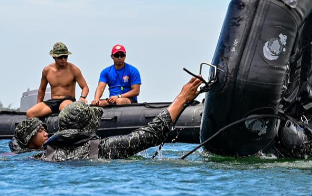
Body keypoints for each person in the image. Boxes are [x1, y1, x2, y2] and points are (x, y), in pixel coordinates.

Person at [37, 77, 203, 162]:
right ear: (88, 124)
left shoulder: (44, 155)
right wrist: (182, 98)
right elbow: (151, 135)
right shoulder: (104, 148)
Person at [25, 42, 90, 118]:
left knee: (64, 108)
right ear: (54, 57)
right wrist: (39, 103)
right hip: (53, 101)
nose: (63, 59)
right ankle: (40, 129)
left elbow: (85, 87)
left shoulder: (73, 69)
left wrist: (82, 97)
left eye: (65, 57)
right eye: (60, 57)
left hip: (68, 100)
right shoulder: (47, 70)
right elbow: (42, 89)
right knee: (30, 113)